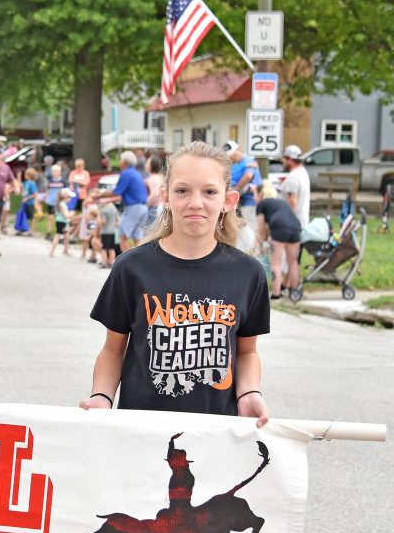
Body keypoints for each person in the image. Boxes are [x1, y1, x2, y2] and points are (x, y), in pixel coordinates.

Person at [80, 141, 270, 425]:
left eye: (209, 192)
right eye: (182, 191)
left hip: (216, 432)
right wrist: (102, 396)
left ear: (229, 201)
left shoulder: (248, 273)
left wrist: (249, 392)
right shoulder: (131, 268)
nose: (195, 203)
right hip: (141, 429)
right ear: (165, 196)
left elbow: (246, 352)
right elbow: (113, 350)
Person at [256, 180, 302, 299]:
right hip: (295, 226)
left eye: (254, 194)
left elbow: (261, 229)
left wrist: (260, 245)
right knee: (293, 262)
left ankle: (276, 294)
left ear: (260, 194)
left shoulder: (261, 204)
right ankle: (295, 292)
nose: (254, 197)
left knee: (276, 263)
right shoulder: (281, 202)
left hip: (279, 227)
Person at [99, 150, 150, 249]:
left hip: (134, 208)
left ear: (125, 162)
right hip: (143, 207)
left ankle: (126, 259)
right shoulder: (136, 173)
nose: (119, 162)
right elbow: (124, 194)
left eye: (120, 159)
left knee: (123, 236)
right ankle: (141, 258)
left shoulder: (126, 173)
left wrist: (99, 195)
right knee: (138, 237)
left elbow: (116, 192)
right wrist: (108, 200)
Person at [225, 141, 260, 231]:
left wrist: (236, 190)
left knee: (250, 228)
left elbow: (248, 176)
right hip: (238, 201)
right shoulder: (235, 163)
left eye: (231, 155)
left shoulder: (249, 160)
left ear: (238, 150)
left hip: (250, 200)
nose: (230, 158)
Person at [281, 144, 311, 227]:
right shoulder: (303, 172)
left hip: (292, 223)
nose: (283, 162)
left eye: (284, 159)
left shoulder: (293, 177)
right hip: (302, 220)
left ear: (290, 159)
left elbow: (292, 203)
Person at [49, 188, 74, 257]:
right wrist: (71, 214)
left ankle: (66, 250)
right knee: (58, 236)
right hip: (61, 222)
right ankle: (52, 252)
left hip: (64, 222)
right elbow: (65, 215)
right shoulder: (62, 205)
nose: (70, 199)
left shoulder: (62, 204)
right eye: (69, 197)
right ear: (65, 197)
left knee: (66, 236)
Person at [14, 167, 38, 236]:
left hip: (30, 203)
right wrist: (19, 178)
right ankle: (21, 229)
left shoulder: (32, 184)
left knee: (31, 217)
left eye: (26, 174)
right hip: (24, 202)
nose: (25, 175)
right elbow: (21, 186)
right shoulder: (26, 182)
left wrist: (27, 198)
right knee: (22, 215)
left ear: (30, 175)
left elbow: (35, 194)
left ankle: (32, 231)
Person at [97, 197, 120, 268]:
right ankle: (111, 262)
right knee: (111, 248)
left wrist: (99, 220)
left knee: (103, 248)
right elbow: (117, 220)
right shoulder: (114, 209)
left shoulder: (104, 210)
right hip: (112, 231)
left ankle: (104, 263)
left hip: (105, 231)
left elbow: (103, 221)